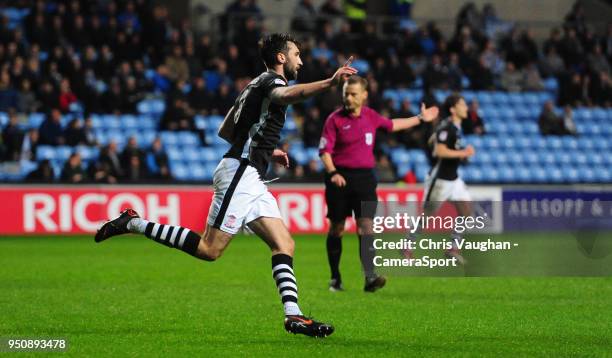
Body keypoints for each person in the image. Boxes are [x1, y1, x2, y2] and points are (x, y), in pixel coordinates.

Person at [94, 33, 357, 338]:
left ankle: (293, 316)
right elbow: (286, 97)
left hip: (251, 175)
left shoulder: (253, 85)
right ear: (282, 58)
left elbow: (226, 129)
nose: (301, 59)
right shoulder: (274, 82)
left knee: (284, 244)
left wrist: (263, 148)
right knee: (209, 249)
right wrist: (329, 82)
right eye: (297, 54)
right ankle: (134, 223)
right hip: (240, 173)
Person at [318, 75, 439, 292]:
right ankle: (335, 278)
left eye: (353, 94)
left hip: (365, 179)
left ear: (364, 95)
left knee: (366, 227)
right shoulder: (334, 119)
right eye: (346, 93)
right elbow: (325, 151)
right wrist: (333, 172)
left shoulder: (371, 116)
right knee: (337, 228)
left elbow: (393, 124)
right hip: (339, 178)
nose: (348, 98)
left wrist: (420, 118)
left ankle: (370, 277)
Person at [403, 93, 475, 264]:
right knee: (428, 215)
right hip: (440, 179)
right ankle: (407, 245)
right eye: (462, 105)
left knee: (466, 211)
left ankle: (453, 248)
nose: (466, 107)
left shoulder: (455, 128)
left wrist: (460, 154)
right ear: (453, 109)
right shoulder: (447, 128)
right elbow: (439, 152)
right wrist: (463, 153)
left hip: (454, 179)